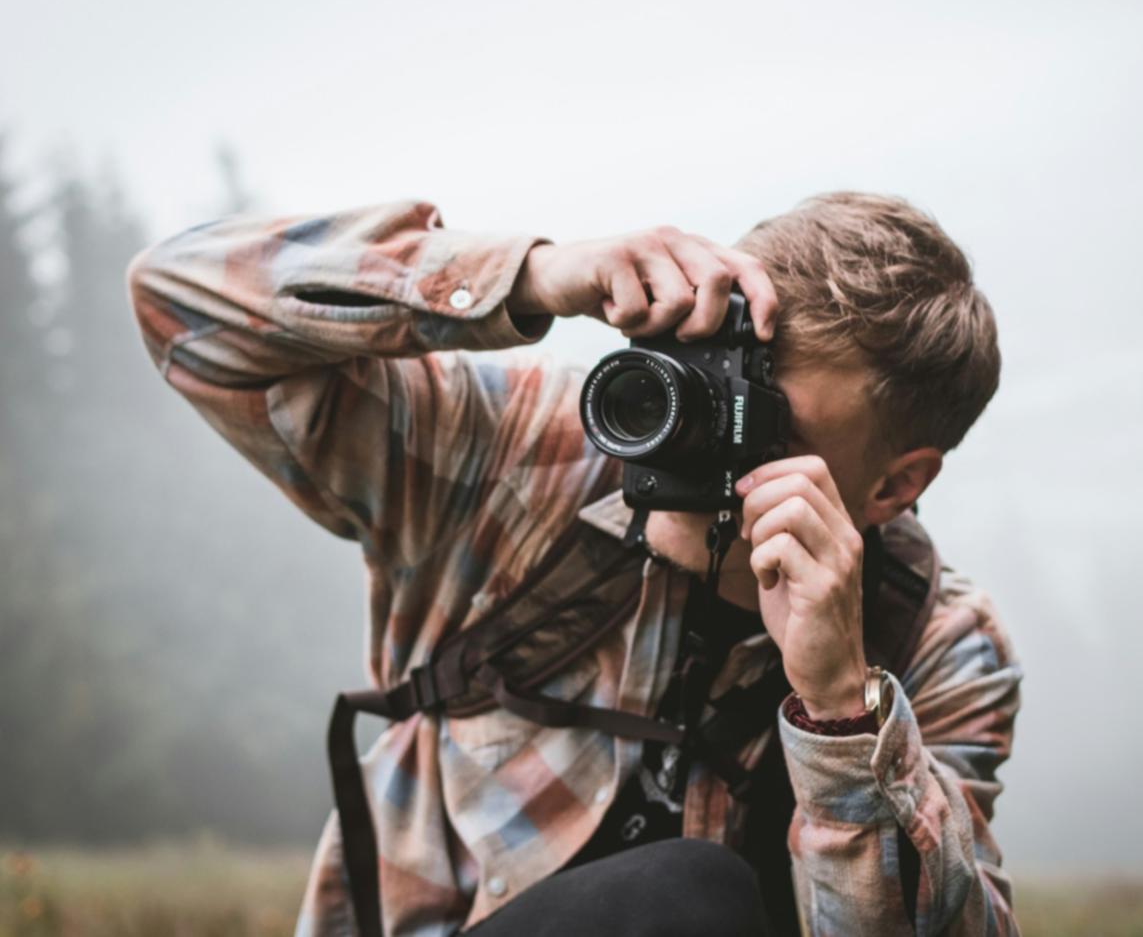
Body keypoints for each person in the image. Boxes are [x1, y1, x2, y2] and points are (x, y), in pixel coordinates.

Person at [126, 191, 1023, 936]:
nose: (693, 433)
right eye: (704, 375)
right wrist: (532, 276)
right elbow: (177, 300)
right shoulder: (524, 452)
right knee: (686, 894)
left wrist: (842, 713)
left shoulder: (937, 641)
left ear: (894, 485)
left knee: (691, 892)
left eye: (761, 418)